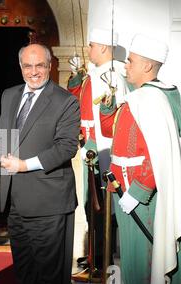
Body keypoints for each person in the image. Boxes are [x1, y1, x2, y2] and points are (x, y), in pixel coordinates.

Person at [0, 44, 80, 284]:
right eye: (28, 66)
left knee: (49, 277)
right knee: (25, 270)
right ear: (21, 67)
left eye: (40, 65)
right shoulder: (9, 95)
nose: (34, 71)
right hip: (15, 202)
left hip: (49, 202)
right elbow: (0, 136)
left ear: (50, 66)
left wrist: (24, 165)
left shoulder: (66, 100)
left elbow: (67, 147)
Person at [100, 33, 181, 284]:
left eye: (131, 62)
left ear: (147, 66)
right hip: (126, 192)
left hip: (141, 200)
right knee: (134, 265)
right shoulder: (141, 97)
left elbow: (156, 155)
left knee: (142, 266)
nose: (125, 66)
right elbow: (115, 134)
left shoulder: (151, 99)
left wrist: (135, 194)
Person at [67, 28, 130, 271]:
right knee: (91, 204)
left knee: (100, 205)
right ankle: (96, 255)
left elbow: (107, 118)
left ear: (103, 47)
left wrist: (91, 144)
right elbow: (78, 101)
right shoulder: (95, 74)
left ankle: (102, 260)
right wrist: (75, 76)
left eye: (92, 45)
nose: (89, 49)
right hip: (91, 148)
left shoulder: (111, 76)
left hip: (102, 149)